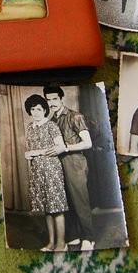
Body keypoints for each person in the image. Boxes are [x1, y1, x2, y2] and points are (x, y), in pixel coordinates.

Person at [43, 86, 95, 251]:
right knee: (66, 201)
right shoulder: (51, 120)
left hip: (75, 162)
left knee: (80, 201)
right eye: (48, 100)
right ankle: (75, 235)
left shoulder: (75, 116)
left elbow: (88, 143)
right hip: (58, 164)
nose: (51, 103)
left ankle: (89, 238)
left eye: (54, 99)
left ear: (61, 98)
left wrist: (65, 148)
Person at [23, 94, 68, 252]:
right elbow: (30, 148)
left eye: (39, 109)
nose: (36, 112)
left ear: (44, 110)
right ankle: (51, 242)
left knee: (57, 207)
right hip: (37, 170)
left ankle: (62, 243)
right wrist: (29, 154)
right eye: (33, 109)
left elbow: (60, 147)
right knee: (47, 208)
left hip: (51, 169)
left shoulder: (51, 126)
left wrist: (36, 152)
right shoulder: (30, 127)